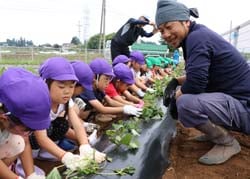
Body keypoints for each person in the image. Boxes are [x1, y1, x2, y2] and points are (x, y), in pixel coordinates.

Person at [156, 0, 250, 165]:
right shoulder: (196, 35)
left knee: (185, 102)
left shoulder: (197, 38)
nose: (165, 34)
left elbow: (196, 83)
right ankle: (216, 130)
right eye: (161, 30)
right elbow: (201, 74)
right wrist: (175, 81)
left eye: (169, 27)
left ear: (185, 21)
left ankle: (227, 143)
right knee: (186, 96)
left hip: (245, 108)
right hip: (239, 102)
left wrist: (175, 98)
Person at [29, 57, 106, 170]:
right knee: (42, 132)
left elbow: (77, 124)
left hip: (46, 137)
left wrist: (85, 146)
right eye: (61, 86)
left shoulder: (66, 101)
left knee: (61, 124)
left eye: (72, 86)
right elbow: (41, 138)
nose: (67, 91)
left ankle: (46, 155)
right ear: (45, 83)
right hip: (29, 142)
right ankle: (33, 160)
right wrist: (65, 156)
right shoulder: (40, 103)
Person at [0, 68, 51, 179]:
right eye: (27, 129)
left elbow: (25, 142)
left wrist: (31, 175)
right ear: (4, 119)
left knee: (19, 141)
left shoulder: (12, 120)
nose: (30, 133)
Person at [76, 58, 142, 122]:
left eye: (109, 79)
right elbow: (102, 109)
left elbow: (111, 101)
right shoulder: (87, 89)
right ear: (95, 76)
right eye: (106, 79)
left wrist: (130, 106)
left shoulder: (99, 89)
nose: (108, 83)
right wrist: (124, 109)